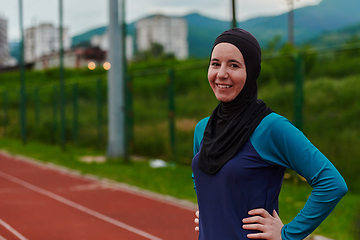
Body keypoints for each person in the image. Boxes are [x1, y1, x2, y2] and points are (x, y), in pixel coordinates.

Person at [191, 28, 348, 240]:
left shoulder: (271, 127)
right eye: (215, 63)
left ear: (252, 71)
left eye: (234, 65)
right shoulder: (203, 129)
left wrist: (287, 234)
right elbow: (200, 176)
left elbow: (332, 183)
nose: (221, 74)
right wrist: (211, 209)